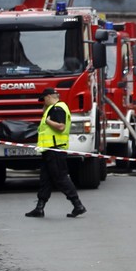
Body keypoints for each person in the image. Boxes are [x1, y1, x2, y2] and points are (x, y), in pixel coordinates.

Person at [25, 88, 87, 218]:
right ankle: (39, 208)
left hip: (55, 149)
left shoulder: (58, 108)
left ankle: (78, 205)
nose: (43, 102)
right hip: (49, 150)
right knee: (45, 179)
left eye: (44, 99)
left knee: (61, 178)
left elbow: (61, 126)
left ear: (48, 97)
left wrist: (48, 121)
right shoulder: (52, 108)